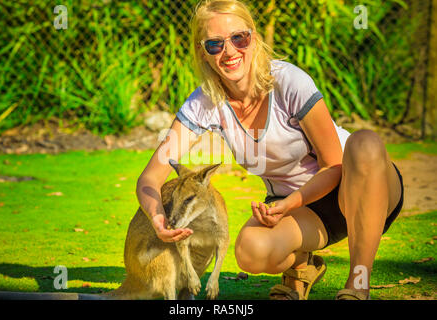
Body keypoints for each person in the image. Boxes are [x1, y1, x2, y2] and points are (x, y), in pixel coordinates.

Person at [136, 0, 404, 300]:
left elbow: (333, 165)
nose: (230, 51)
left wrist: (289, 204)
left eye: (239, 38)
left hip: (358, 187)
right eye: (215, 44)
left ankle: (358, 284)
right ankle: (302, 267)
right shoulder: (204, 104)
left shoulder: (289, 81)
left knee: (365, 142)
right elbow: (150, 178)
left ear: (253, 37)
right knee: (250, 251)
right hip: (302, 212)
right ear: (203, 51)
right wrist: (158, 219)